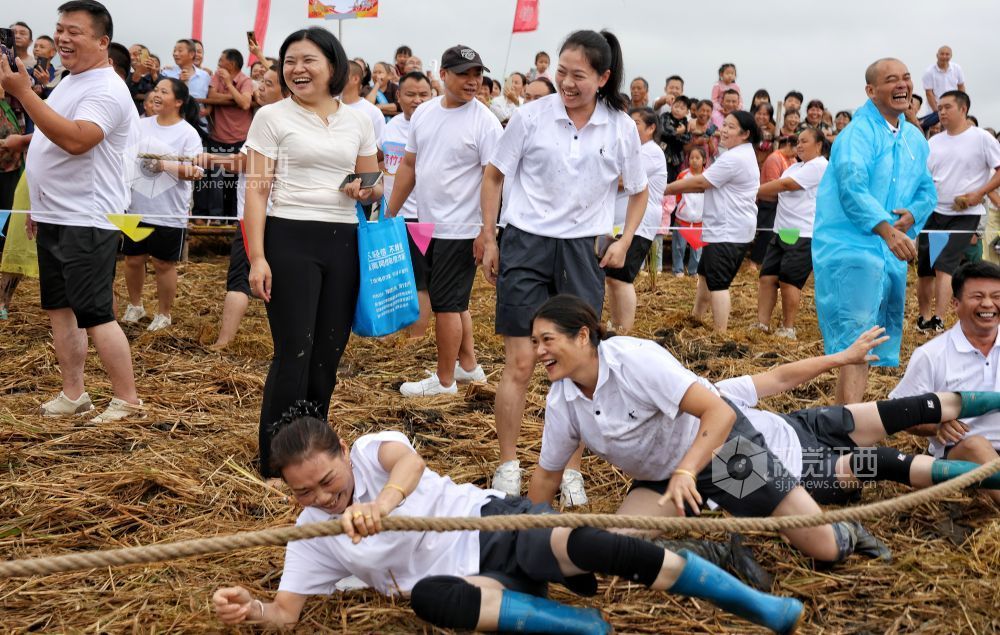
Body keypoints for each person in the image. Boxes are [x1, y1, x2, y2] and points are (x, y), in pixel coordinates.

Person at [211, 401, 805, 635]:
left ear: (344, 453)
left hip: (490, 525)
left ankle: (759, 609)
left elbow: (409, 464)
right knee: (433, 602)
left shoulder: (370, 452)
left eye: (328, 481)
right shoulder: (312, 536)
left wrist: (380, 506)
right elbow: (285, 615)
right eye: (306, 492)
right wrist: (252, 610)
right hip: (475, 584)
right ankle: (586, 628)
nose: (323, 496)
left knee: (594, 544)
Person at [525, 295, 1000, 566]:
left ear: (583, 335)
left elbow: (744, 402)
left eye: (547, 340)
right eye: (534, 343)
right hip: (710, 462)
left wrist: (841, 358)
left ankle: (846, 530)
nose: (538, 351)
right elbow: (545, 478)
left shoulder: (640, 364)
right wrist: (524, 535)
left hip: (751, 452)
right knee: (625, 544)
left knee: (885, 445)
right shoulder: (564, 400)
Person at [476, 30, 649, 499]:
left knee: (576, 362)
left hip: (580, 251)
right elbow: (494, 176)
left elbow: (638, 190)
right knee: (521, 361)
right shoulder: (531, 117)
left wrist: (624, 238)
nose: (567, 83)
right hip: (527, 244)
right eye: (561, 72)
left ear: (603, 77)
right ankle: (509, 464)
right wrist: (489, 234)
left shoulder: (620, 127)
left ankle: (570, 468)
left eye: (578, 75)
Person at [243, 27, 381, 478]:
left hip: (343, 242)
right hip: (288, 238)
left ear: (333, 65)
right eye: (289, 61)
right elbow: (257, 192)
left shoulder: (360, 119)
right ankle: (277, 459)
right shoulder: (271, 117)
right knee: (293, 352)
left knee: (327, 354)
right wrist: (258, 256)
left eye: (308, 60)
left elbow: (373, 185)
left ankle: (315, 452)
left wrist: (365, 192)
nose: (297, 70)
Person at [0, 0, 143, 422]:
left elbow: (80, 140)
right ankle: (74, 393)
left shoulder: (106, 87)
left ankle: (127, 400)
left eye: (74, 31)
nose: (62, 37)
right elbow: (54, 130)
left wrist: (23, 91)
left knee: (96, 313)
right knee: (60, 310)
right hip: (56, 214)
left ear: (102, 41)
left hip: (89, 217)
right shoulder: (71, 80)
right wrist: (26, 147)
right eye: (60, 28)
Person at [812, 57, 937, 404]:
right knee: (857, 341)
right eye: (891, 80)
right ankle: (847, 427)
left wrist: (913, 214)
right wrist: (886, 230)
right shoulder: (857, 134)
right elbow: (852, 187)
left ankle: (846, 421)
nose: (902, 85)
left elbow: (928, 188)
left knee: (869, 341)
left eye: (906, 78)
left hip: (889, 251)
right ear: (871, 90)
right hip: (852, 248)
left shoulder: (914, 137)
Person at [387, 45, 501, 398]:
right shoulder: (424, 114)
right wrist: (390, 213)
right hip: (427, 222)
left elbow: (493, 179)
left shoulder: (485, 121)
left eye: (477, 74)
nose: (473, 81)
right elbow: (409, 166)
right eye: (465, 73)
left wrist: (487, 230)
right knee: (453, 301)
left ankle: (445, 380)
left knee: (446, 306)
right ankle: (467, 368)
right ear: (444, 75)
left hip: (462, 227)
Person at [892, 261, 1000, 504]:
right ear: (956, 304)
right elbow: (900, 411)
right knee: (975, 445)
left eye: (996, 296)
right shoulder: (932, 354)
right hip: (963, 453)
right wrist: (936, 427)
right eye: (977, 296)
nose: (988, 304)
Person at [201, 66, 286, 351]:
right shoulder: (295, 121)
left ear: (285, 92)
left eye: (269, 84)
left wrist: (208, 158)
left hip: (256, 216)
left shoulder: (267, 120)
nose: (260, 88)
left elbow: (241, 163)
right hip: (287, 216)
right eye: (261, 82)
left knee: (239, 279)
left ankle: (224, 342)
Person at [120, 77, 205, 332]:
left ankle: (164, 313)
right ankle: (135, 305)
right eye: (155, 90)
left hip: (169, 211)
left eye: (163, 92)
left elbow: (196, 171)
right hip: (135, 207)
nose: (156, 94)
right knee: (132, 260)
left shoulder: (188, 133)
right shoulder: (139, 125)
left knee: (163, 264)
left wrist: (163, 165)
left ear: (178, 101)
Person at [665, 111, 761, 332]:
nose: (724, 130)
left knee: (719, 284)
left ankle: (720, 333)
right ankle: (696, 318)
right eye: (724, 125)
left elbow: (701, 183)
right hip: (725, 228)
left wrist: (667, 189)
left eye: (731, 127)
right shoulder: (739, 154)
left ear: (746, 133)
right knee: (705, 275)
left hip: (729, 230)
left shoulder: (734, 157)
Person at [916, 91, 1000, 333]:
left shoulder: (982, 139)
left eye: (947, 107)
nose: (941, 112)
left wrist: (977, 194)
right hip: (934, 212)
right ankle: (923, 318)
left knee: (945, 264)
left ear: (963, 109)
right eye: (939, 108)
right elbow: (923, 177)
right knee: (926, 268)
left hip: (966, 213)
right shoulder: (933, 142)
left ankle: (939, 319)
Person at [754, 128, 830, 339]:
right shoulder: (795, 166)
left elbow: (787, 185)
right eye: (798, 141)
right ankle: (762, 324)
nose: (800, 145)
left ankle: (788, 327)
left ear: (819, 146)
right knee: (767, 277)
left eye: (805, 141)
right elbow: (783, 184)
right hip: (783, 230)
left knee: (789, 281)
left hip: (804, 233)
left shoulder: (820, 166)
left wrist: (752, 191)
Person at [605, 108, 667, 333]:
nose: (631, 126)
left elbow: (625, 180)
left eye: (637, 123)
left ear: (651, 128)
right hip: (621, 222)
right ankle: (616, 324)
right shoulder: (634, 149)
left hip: (638, 224)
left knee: (622, 277)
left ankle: (625, 329)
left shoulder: (650, 152)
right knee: (612, 277)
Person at [381, 71, 433, 340]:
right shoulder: (388, 127)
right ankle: (393, 333)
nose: (417, 100)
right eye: (410, 94)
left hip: (421, 218)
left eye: (423, 94)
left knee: (419, 283)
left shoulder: (433, 126)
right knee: (394, 278)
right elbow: (378, 160)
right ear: (398, 96)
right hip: (391, 216)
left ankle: (416, 340)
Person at [198, 48, 254, 220]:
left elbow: (245, 103)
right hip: (217, 139)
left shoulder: (246, 80)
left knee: (235, 183)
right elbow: (211, 95)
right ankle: (216, 218)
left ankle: (233, 218)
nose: (219, 63)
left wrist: (229, 84)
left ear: (231, 63)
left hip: (240, 141)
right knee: (215, 181)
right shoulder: (216, 76)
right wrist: (232, 98)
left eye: (221, 60)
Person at [751, 133, 796, 270]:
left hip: (785, 202)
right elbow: (772, 183)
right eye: (796, 148)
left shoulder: (793, 160)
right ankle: (754, 261)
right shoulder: (775, 158)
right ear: (789, 145)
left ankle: (779, 259)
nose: (798, 152)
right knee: (767, 232)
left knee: (785, 231)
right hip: (769, 201)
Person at [670, 147, 707, 277]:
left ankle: (694, 271)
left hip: (699, 221)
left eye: (698, 158)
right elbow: (676, 194)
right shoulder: (683, 175)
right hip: (682, 219)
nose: (694, 161)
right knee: (678, 246)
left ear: (704, 160)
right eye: (691, 158)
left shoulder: (708, 176)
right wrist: (680, 206)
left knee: (697, 249)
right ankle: (678, 270)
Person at [921, 45, 966, 130]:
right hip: (935, 109)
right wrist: (938, 112)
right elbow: (929, 94)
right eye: (942, 54)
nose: (944, 56)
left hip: (953, 107)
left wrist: (962, 103)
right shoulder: (929, 72)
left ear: (951, 56)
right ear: (937, 55)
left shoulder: (957, 68)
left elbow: (961, 86)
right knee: (933, 132)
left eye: (947, 54)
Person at [342, 60, 385, 148]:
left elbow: (380, 146)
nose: (336, 78)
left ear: (355, 79)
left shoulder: (373, 113)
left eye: (342, 74)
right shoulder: (329, 106)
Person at [659, 94, 690, 183]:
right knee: (662, 179)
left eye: (682, 108)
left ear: (687, 112)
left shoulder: (686, 123)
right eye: (676, 106)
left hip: (677, 159)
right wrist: (678, 132)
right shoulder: (665, 116)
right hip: (663, 153)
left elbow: (688, 138)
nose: (677, 110)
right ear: (672, 106)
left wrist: (678, 133)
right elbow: (665, 130)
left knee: (673, 181)